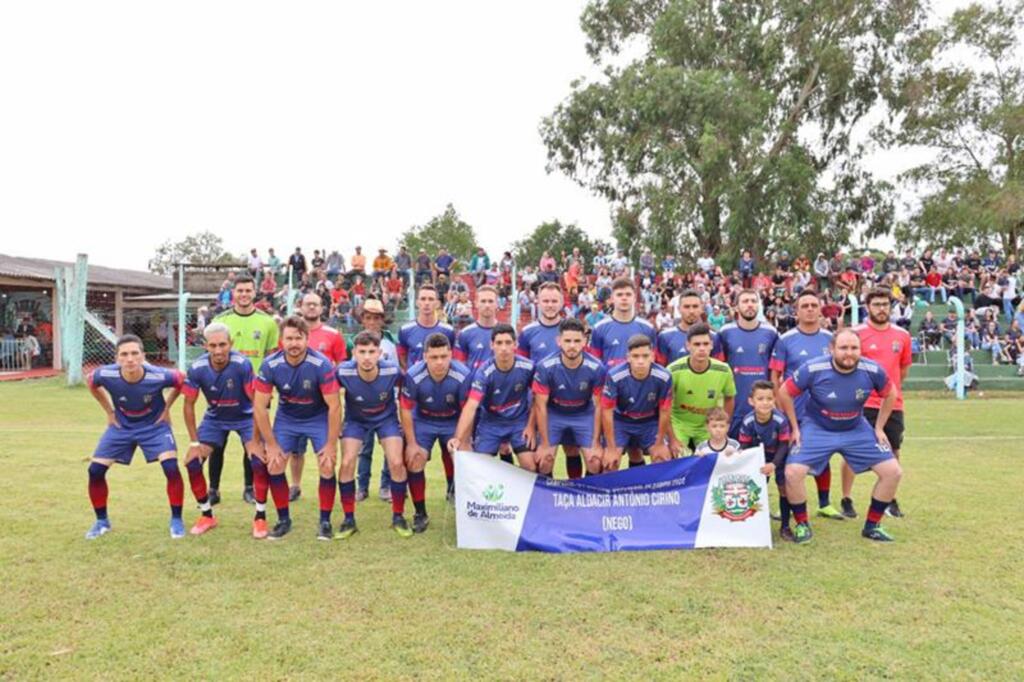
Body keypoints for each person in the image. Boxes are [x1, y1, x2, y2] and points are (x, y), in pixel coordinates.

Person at [778, 328, 903, 543]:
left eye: (854, 348)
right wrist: (795, 428)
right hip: (817, 428)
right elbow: (784, 392)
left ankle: (872, 526)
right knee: (793, 473)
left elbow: (890, 393)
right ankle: (801, 524)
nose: (849, 353)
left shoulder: (872, 369)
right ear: (831, 349)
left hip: (855, 427)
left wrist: (879, 427)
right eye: (843, 348)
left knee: (893, 472)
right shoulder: (814, 367)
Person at [84, 335, 188, 540]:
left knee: (171, 467)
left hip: (154, 427)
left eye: (134, 353)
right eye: (124, 354)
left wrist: (167, 407)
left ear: (143, 356)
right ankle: (102, 521)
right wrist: (109, 412)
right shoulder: (106, 374)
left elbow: (181, 380)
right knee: (95, 470)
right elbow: (91, 383)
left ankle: (176, 520)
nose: (130, 359)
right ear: (117, 358)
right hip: (122, 427)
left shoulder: (159, 375)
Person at [252, 317, 341, 540]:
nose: (293, 343)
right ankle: (284, 520)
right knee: (274, 464)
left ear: (307, 339)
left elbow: (334, 406)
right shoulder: (270, 365)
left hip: (317, 417)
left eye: (298, 338)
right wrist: (270, 445)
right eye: (289, 338)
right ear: (281, 340)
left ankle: (325, 522)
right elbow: (260, 407)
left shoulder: (321, 364)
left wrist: (331, 444)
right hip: (287, 418)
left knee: (327, 464)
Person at [768, 290, 843, 520]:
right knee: (788, 459)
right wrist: (779, 407)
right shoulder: (786, 339)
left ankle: (824, 503)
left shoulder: (830, 339)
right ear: (796, 311)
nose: (810, 309)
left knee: (824, 454)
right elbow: (775, 376)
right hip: (794, 411)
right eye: (805, 305)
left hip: (823, 411)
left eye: (813, 305)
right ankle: (786, 505)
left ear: (820, 309)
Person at [181, 323, 260, 533]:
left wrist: (264, 438)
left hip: (245, 417)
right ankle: (207, 516)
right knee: (191, 463)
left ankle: (260, 516)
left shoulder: (242, 364)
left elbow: (256, 401)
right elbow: (188, 404)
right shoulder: (197, 368)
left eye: (223, 345)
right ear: (205, 346)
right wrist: (194, 442)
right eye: (213, 345)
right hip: (215, 419)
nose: (218, 351)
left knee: (259, 460)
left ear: (231, 344)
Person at [335, 331, 411, 539]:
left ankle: (398, 516)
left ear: (380, 353)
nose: (367, 357)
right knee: (348, 462)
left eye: (371, 352)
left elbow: (409, 390)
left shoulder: (392, 371)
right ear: (354, 354)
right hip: (355, 420)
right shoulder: (343, 372)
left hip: (386, 419)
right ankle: (348, 519)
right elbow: (328, 396)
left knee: (396, 462)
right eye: (362, 352)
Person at [212, 275, 279, 504]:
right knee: (217, 441)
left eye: (248, 290)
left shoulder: (267, 322)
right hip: (223, 390)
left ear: (254, 293)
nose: (243, 294)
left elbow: (271, 359)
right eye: (239, 290)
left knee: (252, 442)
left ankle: (249, 488)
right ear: (233, 293)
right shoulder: (221, 321)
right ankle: (213, 489)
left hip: (256, 392)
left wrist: (268, 390)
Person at [849, 288, 912, 518]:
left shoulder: (902, 335)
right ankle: (847, 498)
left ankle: (889, 499)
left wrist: (890, 391)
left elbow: (903, 369)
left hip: (892, 404)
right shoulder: (857, 333)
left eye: (885, 304)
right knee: (852, 450)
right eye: (877, 304)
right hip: (863, 403)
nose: (881, 308)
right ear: (868, 307)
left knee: (893, 449)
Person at [399, 333, 472, 531]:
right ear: (424, 357)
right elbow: (405, 409)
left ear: (451, 355)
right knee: (414, 459)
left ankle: (467, 510)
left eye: (443, 356)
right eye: (433, 357)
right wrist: (412, 443)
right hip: (424, 420)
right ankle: (420, 513)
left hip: (453, 421)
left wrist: (460, 439)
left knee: (465, 458)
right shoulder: (414, 375)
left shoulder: (463, 375)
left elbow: (468, 410)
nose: (439, 362)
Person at [449, 324, 539, 470]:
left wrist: (530, 426)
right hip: (491, 422)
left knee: (530, 466)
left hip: (519, 422)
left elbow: (538, 398)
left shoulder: (528, 367)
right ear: (492, 345)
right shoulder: (484, 372)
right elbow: (471, 406)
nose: (504, 348)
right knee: (481, 469)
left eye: (508, 343)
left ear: (515, 345)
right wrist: (458, 438)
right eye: (499, 343)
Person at [285, 292, 348, 501]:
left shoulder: (333, 334)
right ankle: (295, 485)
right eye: (307, 304)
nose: (311, 308)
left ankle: (329, 488)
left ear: (322, 308)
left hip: (324, 403)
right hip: (296, 402)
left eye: (316, 304)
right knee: (295, 450)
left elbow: (341, 365)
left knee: (326, 450)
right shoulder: (291, 333)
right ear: (300, 307)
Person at [532, 318, 607, 477]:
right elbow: (540, 406)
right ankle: (548, 498)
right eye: (567, 340)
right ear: (559, 341)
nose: (572, 345)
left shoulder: (597, 368)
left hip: (583, 413)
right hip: (555, 413)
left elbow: (599, 405)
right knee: (545, 460)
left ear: (584, 341)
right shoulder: (545, 367)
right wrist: (544, 444)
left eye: (576, 340)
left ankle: (583, 495)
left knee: (595, 461)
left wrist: (595, 442)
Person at [349, 298, 398, 501]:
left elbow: (396, 371)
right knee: (364, 447)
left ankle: (385, 486)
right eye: (368, 318)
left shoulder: (390, 343)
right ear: (362, 320)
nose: (371, 322)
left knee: (389, 447)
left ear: (381, 320)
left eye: (376, 318)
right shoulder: (354, 342)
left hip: (386, 403)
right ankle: (362, 486)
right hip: (360, 404)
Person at [600, 334, 674, 470]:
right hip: (621, 421)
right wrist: (610, 448)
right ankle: (612, 491)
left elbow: (665, 410)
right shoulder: (615, 376)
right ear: (628, 357)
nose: (640, 361)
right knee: (610, 463)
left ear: (652, 356)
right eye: (635, 356)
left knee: (662, 459)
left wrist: (659, 443)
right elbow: (607, 411)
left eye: (645, 356)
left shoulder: (664, 376)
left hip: (649, 421)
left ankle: (654, 491)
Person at [717, 289, 778, 439]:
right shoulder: (725, 332)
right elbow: (718, 369)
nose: (750, 305)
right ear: (736, 307)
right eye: (745, 301)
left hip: (763, 409)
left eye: (753, 301)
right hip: (734, 408)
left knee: (764, 458)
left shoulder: (771, 332)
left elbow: (776, 372)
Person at [737, 380, 793, 541]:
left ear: (774, 400)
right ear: (751, 401)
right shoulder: (748, 421)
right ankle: (751, 523)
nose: (765, 403)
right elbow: (744, 445)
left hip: (779, 457)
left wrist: (774, 464)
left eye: (769, 399)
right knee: (754, 489)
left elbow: (784, 445)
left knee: (783, 489)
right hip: (758, 459)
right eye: (760, 399)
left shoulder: (780, 420)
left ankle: (785, 526)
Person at [667, 323, 736, 454]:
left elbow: (729, 398)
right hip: (680, 424)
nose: (702, 348)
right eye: (697, 344)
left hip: (708, 423)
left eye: (705, 344)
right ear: (688, 346)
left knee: (715, 460)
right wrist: (672, 438)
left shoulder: (723, 369)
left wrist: (722, 425)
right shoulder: (673, 370)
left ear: (711, 345)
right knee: (674, 457)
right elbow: (664, 405)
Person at [588, 278, 657, 367]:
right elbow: (595, 364)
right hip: (609, 381)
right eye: (619, 295)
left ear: (634, 298)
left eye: (628, 294)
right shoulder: (599, 328)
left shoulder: (648, 328)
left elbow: (652, 362)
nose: (624, 298)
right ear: (612, 298)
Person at [398, 284, 456, 370]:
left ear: (437, 304)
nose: (426, 303)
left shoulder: (448, 331)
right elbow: (402, 358)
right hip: (414, 382)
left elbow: (451, 357)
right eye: (423, 299)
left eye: (431, 299)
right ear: (417, 302)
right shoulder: (405, 330)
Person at [656, 289, 721, 365]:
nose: (691, 311)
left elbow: (719, 369)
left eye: (695, 306)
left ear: (701, 308)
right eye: (687, 307)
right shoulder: (665, 337)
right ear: (679, 309)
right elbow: (660, 370)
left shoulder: (713, 337)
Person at [517, 282, 564, 362]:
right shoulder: (527, 332)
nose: (550, 305)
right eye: (545, 301)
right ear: (538, 302)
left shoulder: (572, 331)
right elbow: (521, 367)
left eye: (554, 301)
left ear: (561, 303)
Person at [454, 286, 499, 369]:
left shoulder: (506, 333)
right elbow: (459, 366)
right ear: (476, 303)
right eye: (483, 301)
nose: (487, 305)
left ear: (497, 304)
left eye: (490, 301)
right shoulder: (465, 334)